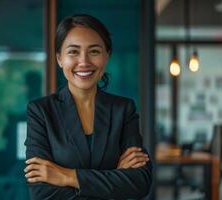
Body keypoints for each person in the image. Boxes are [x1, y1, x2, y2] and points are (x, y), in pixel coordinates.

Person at [24, 14, 152, 200]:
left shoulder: (123, 109)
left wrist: (65, 176)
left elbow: (140, 182)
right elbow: (41, 193)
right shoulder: (41, 112)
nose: (84, 62)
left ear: (107, 56)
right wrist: (114, 177)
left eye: (94, 51)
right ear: (59, 58)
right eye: (73, 52)